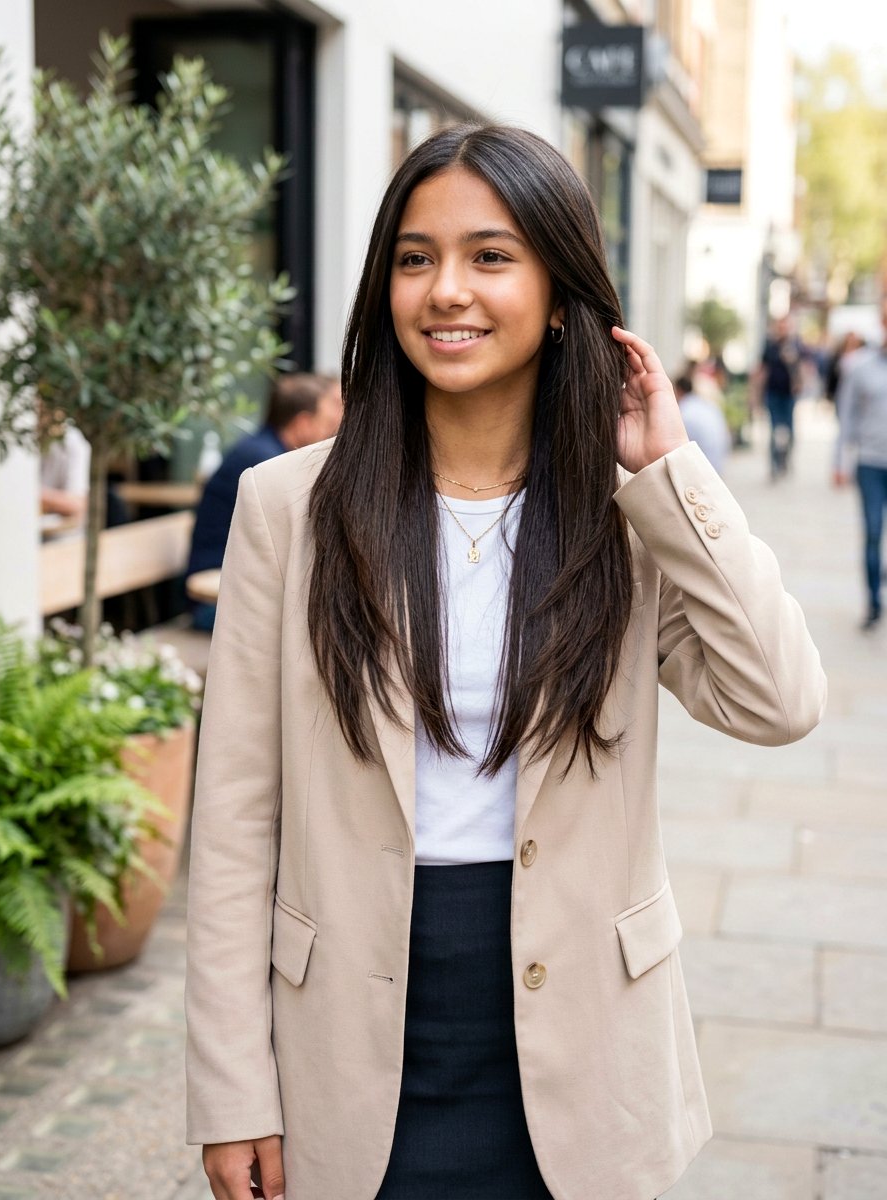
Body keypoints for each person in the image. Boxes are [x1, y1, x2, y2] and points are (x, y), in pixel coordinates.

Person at [185, 124, 826, 1200]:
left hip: (585, 1040)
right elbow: (235, 820)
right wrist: (230, 1088)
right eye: (414, 257)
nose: (446, 291)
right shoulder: (286, 509)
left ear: (563, 292)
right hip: (348, 1030)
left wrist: (670, 471)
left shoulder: (627, 519)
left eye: (490, 256)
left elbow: (780, 698)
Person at [185, 373, 342, 629]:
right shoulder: (265, 465)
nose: (331, 432)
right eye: (326, 423)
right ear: (302, 423)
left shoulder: (264, 451)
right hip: (215, 606)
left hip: (233, 595)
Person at [834, 298, 887, 629]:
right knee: (872, 532)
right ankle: (873, 601)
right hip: (869, 463)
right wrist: (839, 460)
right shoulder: (861, 367)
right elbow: (846, 416)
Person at [757, 315, 802, 479]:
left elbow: (803, 367)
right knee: (774, 429)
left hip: (789, 395)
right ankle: (774, 464)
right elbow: (762, 370)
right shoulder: (770, 346)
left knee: (790, 430)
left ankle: (786, 459)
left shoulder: (795, 345)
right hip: (773, 393)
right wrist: (756, 395)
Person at [673, 372, 731, 473]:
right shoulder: (708, 405)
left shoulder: (684, 412)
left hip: (704, 470)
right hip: (719, 464)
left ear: (678, 391)